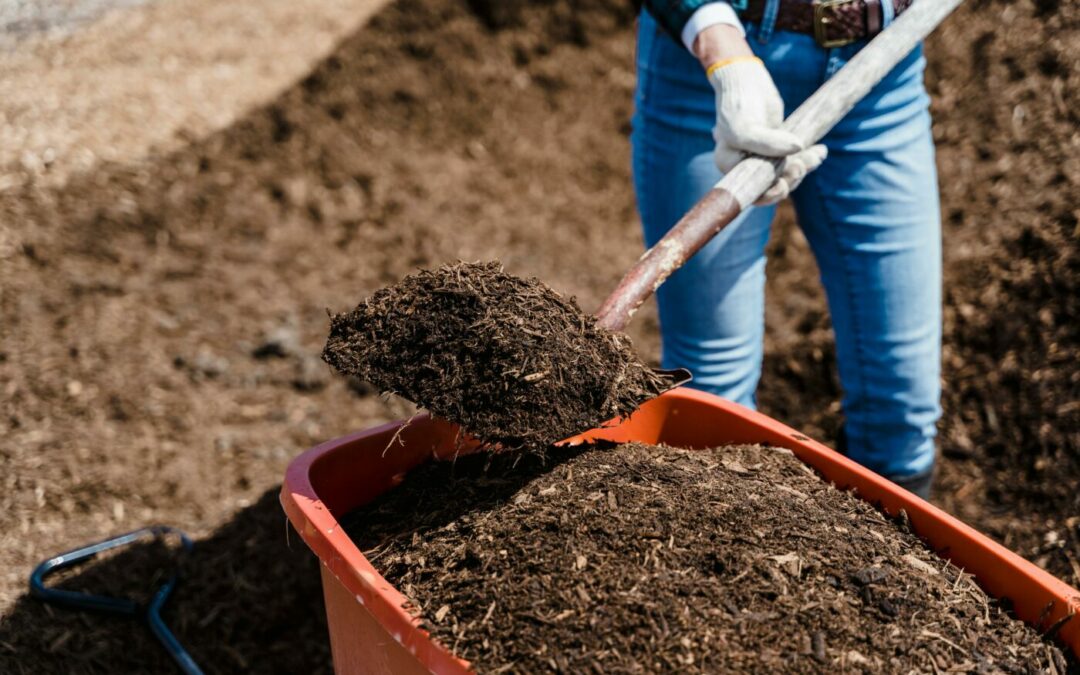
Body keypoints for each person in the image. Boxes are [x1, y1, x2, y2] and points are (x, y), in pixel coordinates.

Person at [634, 0, 939, 498]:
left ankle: (885, 569)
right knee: (713, 396)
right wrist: (723, 53)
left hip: (885, 64)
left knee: (902, 407)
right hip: (714, 66)